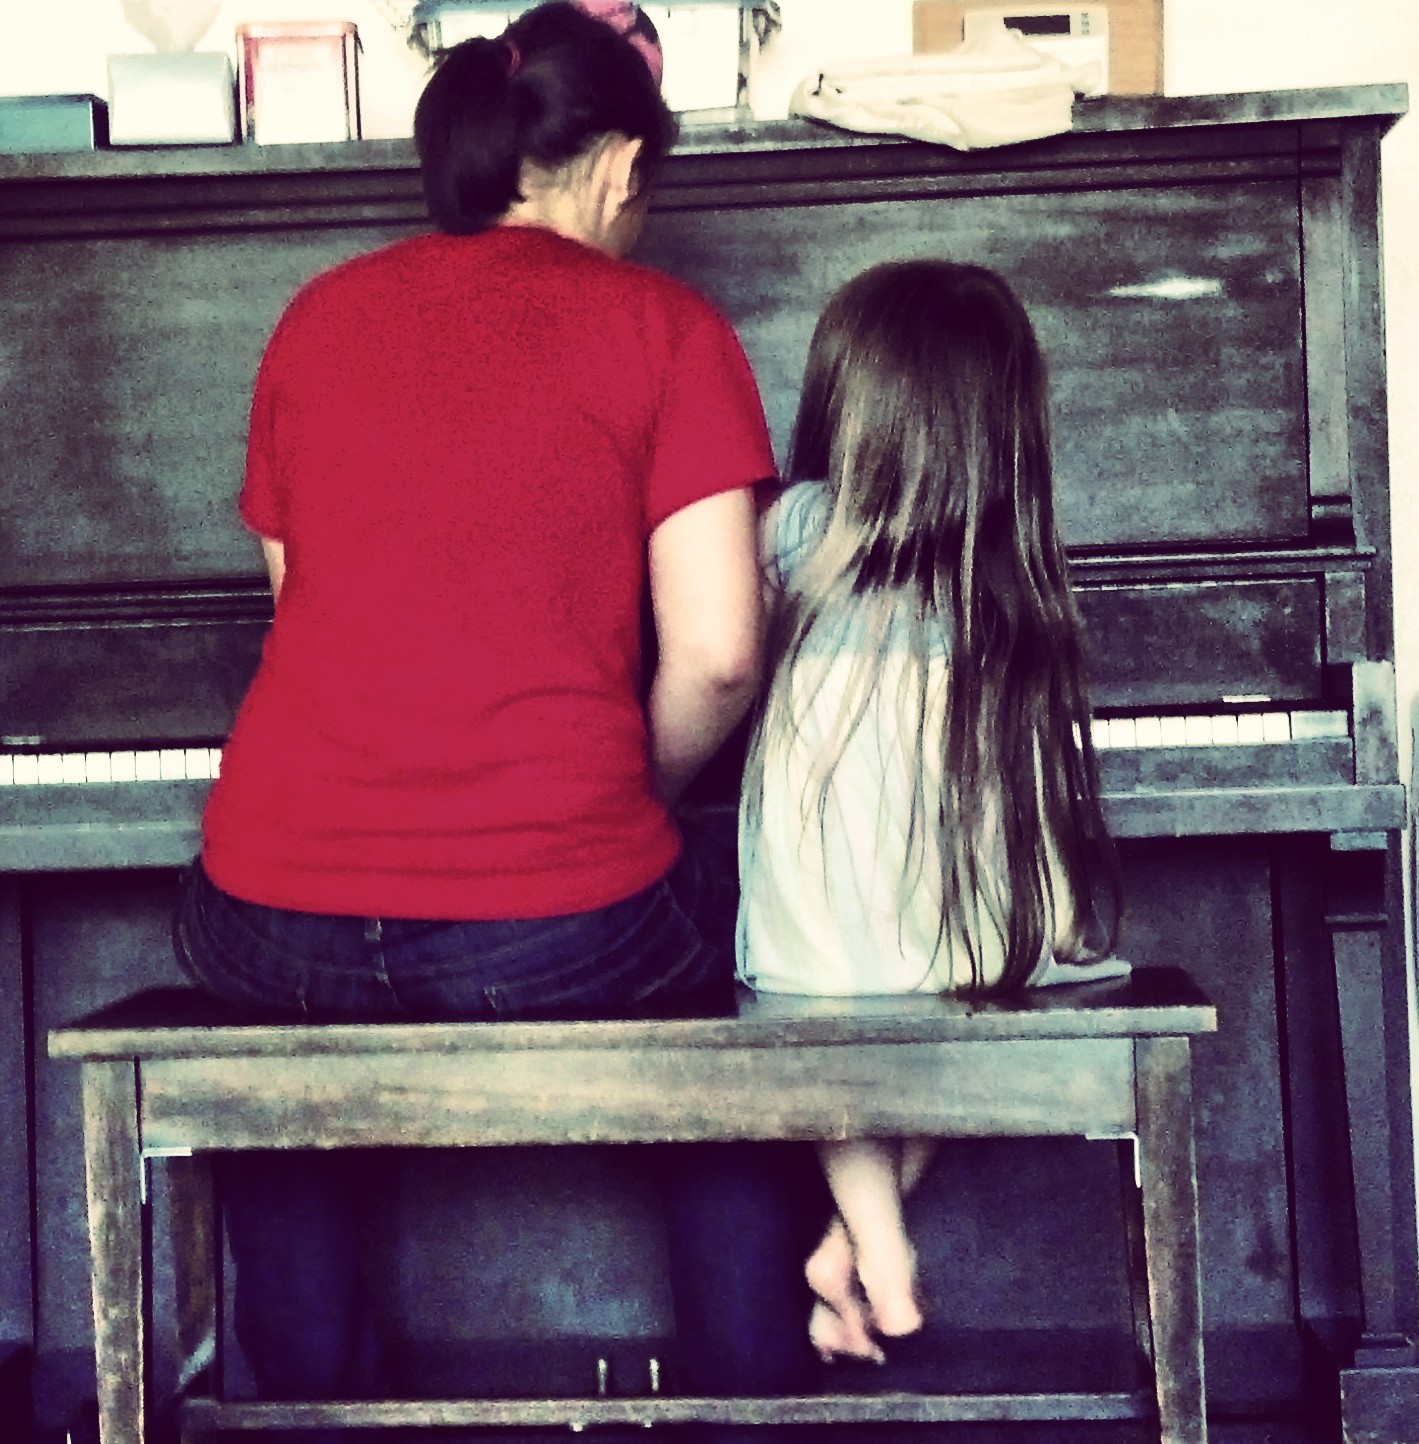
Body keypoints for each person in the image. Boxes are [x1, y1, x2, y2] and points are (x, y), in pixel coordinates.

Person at [173, 0, 816, 1421]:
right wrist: (607, 806)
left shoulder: (316, 318)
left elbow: (302, 611)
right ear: (620, 169)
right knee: (747, 915)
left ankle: (315, 1399)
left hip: (268, 909)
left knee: (283, 1013)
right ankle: (752, 1384)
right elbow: (719, 657)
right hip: (550, 931)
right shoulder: (669, 327)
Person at [736, 259, 1126, 1367]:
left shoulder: (791, 528)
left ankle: (868, 1249)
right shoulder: (1003, 560)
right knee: (982, 1007)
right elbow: (1034, 764)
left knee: (830, 1026)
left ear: (843, 398)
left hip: (819, 910)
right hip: (965, 902)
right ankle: (857, 1249)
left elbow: (733, 670)